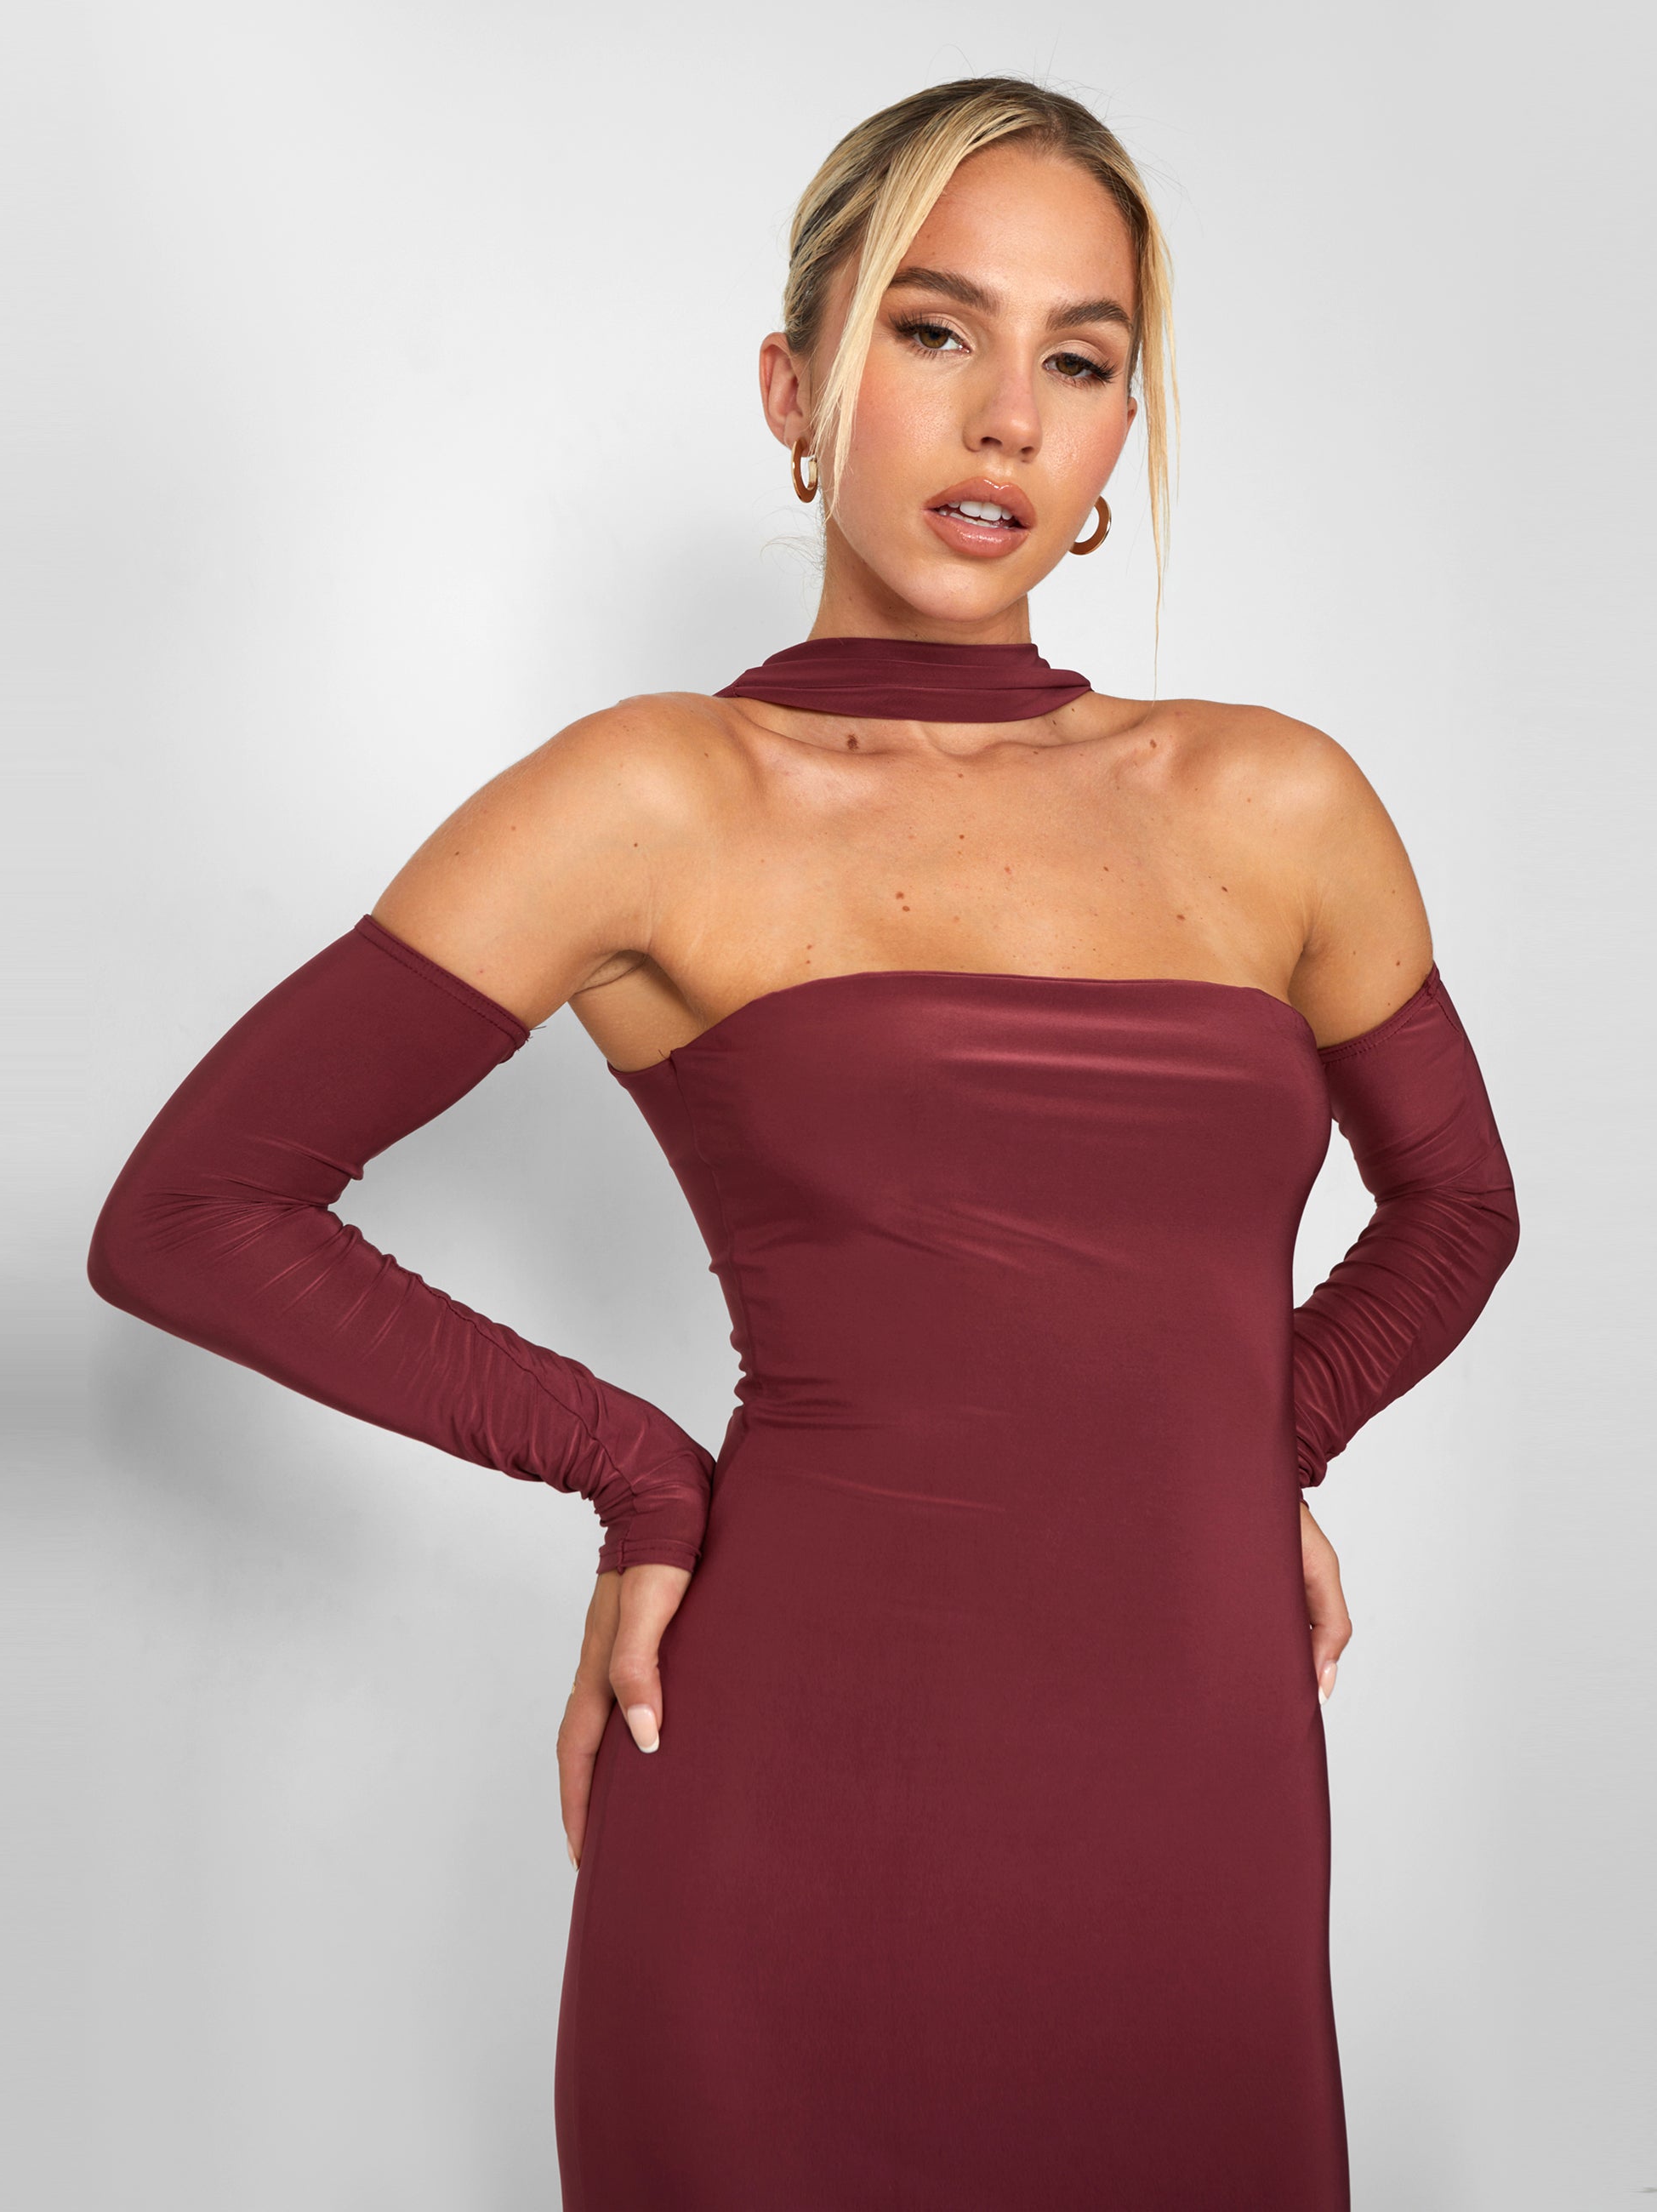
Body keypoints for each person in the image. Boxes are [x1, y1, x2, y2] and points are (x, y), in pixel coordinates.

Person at [87, 75, 1520, 2211]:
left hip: (1194, 1810)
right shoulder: (658, 799)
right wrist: (629, 1465)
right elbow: (194, 1210)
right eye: (936, 332)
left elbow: (1456, 1205)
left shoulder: (1274, 802)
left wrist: (1258, 1438)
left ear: (1123, 428)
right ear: (795, 386)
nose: (1005, 421)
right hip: (791, 1794)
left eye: (1079, 360)